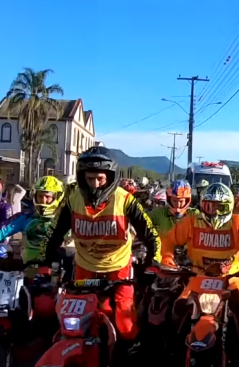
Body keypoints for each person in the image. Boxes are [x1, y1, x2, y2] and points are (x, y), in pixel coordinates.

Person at [44, 146, 162, 342]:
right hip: (85, 266)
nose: (95, 185)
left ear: (110, 177)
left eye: (100, 179)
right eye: (90, 179)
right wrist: (46, 262)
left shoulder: (125, 200)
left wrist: (153, 264)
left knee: (125, 325)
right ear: (82, 178)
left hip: (119, 267)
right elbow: (55, 233)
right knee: (75, 321)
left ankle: (127, 361)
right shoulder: (74, 200)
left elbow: (151, 236)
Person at [161, 182, 239, 294]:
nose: (215, 211)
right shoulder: (191, 221)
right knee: (181, 305)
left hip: (231, 277)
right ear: (202, 205)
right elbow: (169, 240)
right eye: (210, 206)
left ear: (229, 206)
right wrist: (167, 257)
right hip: (198, 276)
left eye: (221, 207)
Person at [0, 176, 64, 263]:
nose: (43, 200)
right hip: (28, 270)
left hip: (59, 270)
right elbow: (3, 230)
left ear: (58, 197)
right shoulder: (27, 216)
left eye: (47, 196)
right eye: (40, 196)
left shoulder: (66, 219)